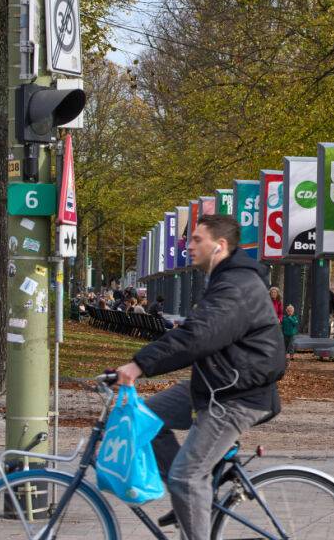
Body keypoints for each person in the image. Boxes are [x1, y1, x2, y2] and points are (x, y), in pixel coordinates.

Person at [114, 215, 285, 539]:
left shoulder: (236, 286)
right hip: (215, 385)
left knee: (186, 477)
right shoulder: (224, 279)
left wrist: (139, 365)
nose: (188, 245)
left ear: (218, 246)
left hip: (238, 396)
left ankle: (190, 496)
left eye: (195, 239)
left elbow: (196, 336)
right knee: (146, 419)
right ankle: (190, 504)